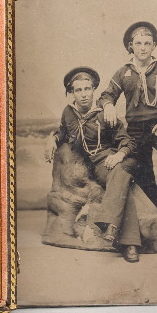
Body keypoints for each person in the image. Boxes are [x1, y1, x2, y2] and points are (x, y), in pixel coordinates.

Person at [45, 67, 142, 262]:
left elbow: (128, 141)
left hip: (110, 160)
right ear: (72, 92)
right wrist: (52, 139)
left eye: (87, 89)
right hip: (89, 165)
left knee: (120, 173)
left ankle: (119, 234)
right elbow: (64, 131)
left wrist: (119, 155)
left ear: (94, 89)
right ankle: (126, 240)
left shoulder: (104, 112)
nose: (83, 95)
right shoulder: (68, 112)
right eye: (78, 90)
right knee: (123, 186)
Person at [98, 21, 157, 217]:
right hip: (135, 130)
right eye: (139, 43)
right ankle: (151, 203)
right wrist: (109, 105)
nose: (143, 48)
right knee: (138, 164)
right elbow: (106, 95)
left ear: (154, 45)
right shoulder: (123, 72)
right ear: (131, 46)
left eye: (147, 43)